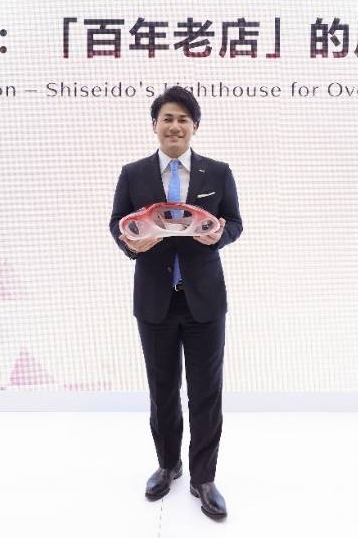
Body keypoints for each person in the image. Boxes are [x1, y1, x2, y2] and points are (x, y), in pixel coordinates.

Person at [109, 86, 242, 520]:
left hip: (204, 301)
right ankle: (168, 465)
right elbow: (117, 223)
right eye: (167, 118)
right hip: (154, 301)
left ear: (194, 127)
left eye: (183, 119)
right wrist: (133, 245)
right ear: (155, 124)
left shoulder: (217, 172)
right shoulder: (133, 174)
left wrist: (218, 235)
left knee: (206, 393)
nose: (175, 126)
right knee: (162, 391)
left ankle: (204, 478)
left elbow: (235, 222)